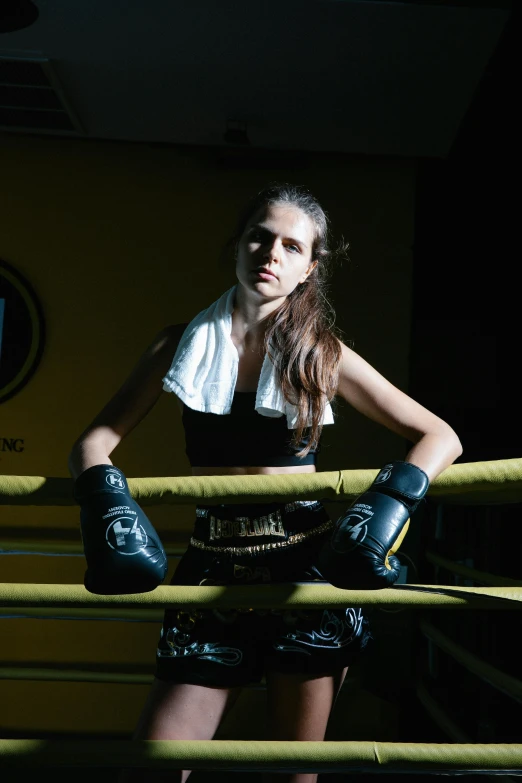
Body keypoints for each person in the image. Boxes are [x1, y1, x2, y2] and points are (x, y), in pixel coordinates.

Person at [68, 182, 462, 783]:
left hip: (304, 565)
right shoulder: (180, 345)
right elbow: (93, 441)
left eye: (291, 246)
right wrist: (107, 501)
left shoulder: (320, 352)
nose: (271, 253)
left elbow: (441, 437)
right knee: (152, 767)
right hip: (211, 564)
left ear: (309, 268)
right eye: (260, 236)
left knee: (293, 776)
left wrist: (388, 503)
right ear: (238, 244)